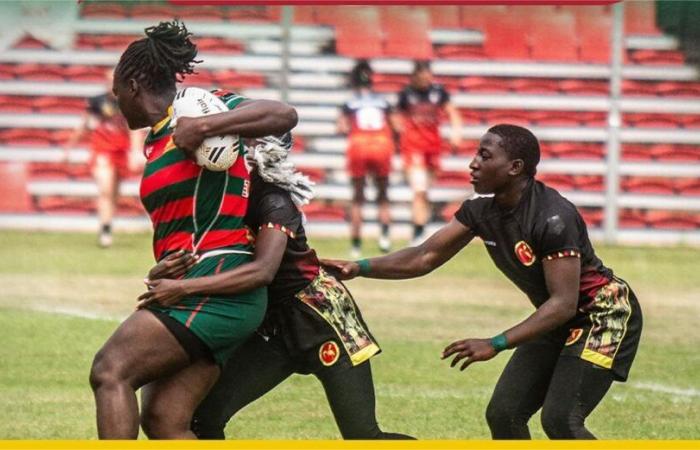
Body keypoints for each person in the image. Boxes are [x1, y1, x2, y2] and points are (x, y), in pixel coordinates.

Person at [322, 124, 643, 440]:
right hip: (555, 317)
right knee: (504, 414)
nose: (473, 162)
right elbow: (424, 256)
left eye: (485, 156)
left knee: (561, 421)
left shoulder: (552, 217)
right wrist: (359, 267)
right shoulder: (480, 211)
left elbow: (563, 303)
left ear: (515, 167)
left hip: (604, 315)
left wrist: (496, 343)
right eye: (476, 153)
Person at [88, 20, 298, 439]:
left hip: (219, 283)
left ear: (132, 86)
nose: (116, 105)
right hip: (190, 282)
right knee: (165, 421)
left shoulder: (203, 107)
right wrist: (164, 264)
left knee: (110, 370)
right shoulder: (156, 140)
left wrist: (205, 127)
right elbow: (188, 219)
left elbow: (284, 115)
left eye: (116, 96)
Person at [139, 134, 413, 440]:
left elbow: (263, 271)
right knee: (204, 419)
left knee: (363, 436)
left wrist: (183, 290)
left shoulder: (273, 201)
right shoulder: (220, 198)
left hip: (321, 318)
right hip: (271, 326)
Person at [63, 69, 141, 247]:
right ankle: (105, 230)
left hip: (121, 151)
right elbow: (84, 126)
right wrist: (69, 148)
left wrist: (135, 152)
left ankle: (106, 226)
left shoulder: (129, 103)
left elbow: (133, 130)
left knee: (114, 193)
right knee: (105, 188)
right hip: (102, 150)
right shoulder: (96, 101)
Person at [337, 60, 399, 257]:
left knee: (357, 198)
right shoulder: (383, 102)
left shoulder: (349, 103)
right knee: (383, 195)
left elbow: (342, 127)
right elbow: (397, 126)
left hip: (359, 145)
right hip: (382, 144)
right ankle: (385, 239)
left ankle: (355, 246)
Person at [396, 60, 462, 245]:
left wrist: (456, 133)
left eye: (428, 76)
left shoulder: (438, 92)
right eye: (422, 76)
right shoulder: (406, 94)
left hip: (433, 148)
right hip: (413, 148)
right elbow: (396, 116)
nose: (426, 80)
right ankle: (417, 233)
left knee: (425, 192)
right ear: (415, 76)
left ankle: (421, 228)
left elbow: (453, 113)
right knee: (420, 189)